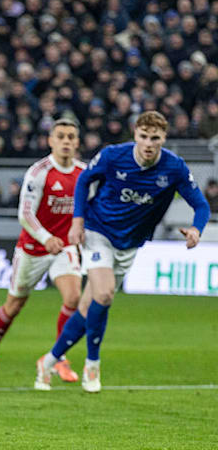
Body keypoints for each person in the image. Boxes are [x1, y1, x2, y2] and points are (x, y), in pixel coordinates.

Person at [35, 111, 210, 393]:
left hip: (130, 242)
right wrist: (77, 221)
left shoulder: (174, 167)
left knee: (88, 307)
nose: (149, 144)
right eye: (144, 137)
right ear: (135, 134)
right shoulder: (113, 156)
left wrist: (196, 230)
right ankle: (92, 365)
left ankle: (49, 360)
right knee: (104, 295)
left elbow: (201, 205)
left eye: (155, 138)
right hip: (98, 230)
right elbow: (84, 181)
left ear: (164, 138)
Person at [0, 119, 86, 382]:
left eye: (71, 137)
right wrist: (46, 238)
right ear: (51, 141)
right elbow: (25, 214)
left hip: (65, 246)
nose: (66, 141)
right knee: (14, 305)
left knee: (73, 298)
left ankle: (58, 357)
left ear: (77, 142)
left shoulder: (84, 173)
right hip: (33, 248)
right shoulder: (39, 172)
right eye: (61, 136)